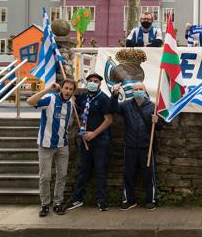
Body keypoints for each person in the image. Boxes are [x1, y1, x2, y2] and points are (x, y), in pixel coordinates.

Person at [64, 73, 113, 213]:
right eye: (90, 81)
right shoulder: (83, 97)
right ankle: (77, 198)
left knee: (100, 171)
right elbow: (76, 111)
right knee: (83, 170)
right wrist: (72, 101)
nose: (92, 83)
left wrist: (94, 134)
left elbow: (109, 120)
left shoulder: (104, 99)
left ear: (100, 84)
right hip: (84, 140)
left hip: (100, 141)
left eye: (95, 81)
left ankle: (101, 200)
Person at [27, 79, 76, 217]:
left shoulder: (71, 104)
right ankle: (45, 204)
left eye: (71, 89)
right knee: (45, 177)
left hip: (62, 145)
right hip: (46, 144)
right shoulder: (50, 99)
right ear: (61, 89)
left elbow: (69, 123)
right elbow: (30, 102)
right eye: (66, 88)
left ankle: (58, 203)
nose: (68, 91)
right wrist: (48, 89)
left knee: (62, 175)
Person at [110, 82, 161, 210]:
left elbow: (159, 127)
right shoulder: (126, 105)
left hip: (146, 147)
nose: (138, 90)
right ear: (132, 92)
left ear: (145, 91)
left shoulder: (152, 107)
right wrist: (115, 94)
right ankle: (129, 200)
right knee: (128, 174)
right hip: (130, 146)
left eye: (140, 89)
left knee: (149, 174)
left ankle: (150, 200)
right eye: (136, 89)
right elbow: (113, 108)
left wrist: (157, 121)